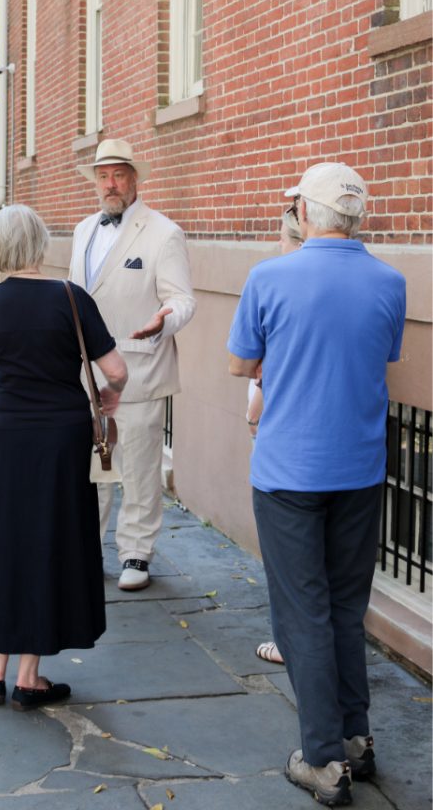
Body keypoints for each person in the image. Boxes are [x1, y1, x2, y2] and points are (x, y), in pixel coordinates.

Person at [227, 162, 406, 806]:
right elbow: (383, 356)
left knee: (301, 612)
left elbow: (239, 362)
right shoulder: (391, 281)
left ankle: (324, 758)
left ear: (303, 212)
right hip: (359, 470)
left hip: (287, 473)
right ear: (358, 216)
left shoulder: (270, 276)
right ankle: (357, 739)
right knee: (345, 608)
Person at [0, 205, 127, 709]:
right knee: (50, 539)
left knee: (5, 540)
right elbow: (114, 369)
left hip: (10, 437)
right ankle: (31, 677)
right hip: (61, 437)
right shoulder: (70, 298)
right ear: (40, 245)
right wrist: (111, 393)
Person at [70, 139, 195, 591]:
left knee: (140, 468)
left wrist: (164, 321)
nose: (110, 184)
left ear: (135, 179)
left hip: (140, 368)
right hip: (87, 375)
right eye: (103, 175)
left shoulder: (164, 232)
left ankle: (137, 554)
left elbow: (182, 299)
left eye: (119, 175)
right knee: (93, 468)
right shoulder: (84, 230)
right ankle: (87, 548)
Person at [248, 205, 304, 668]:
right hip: (350, 463)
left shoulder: (273, 279)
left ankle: (290, 641)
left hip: (285, 455)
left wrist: (255, 412)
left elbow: (242, 362)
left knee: (289, 567)